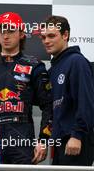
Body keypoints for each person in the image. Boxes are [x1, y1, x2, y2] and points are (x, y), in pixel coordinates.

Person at [0, 12, 53, 164]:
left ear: (22, 33)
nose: (6, 36)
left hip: (22, 134)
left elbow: (49, 105)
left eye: (11, 30)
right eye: (2, 31)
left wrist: (43, 141)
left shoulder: (34, 65)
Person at [40, 15, 94, 165]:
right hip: (60, 142)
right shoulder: (52, 70)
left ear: (65, 35)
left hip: (76, 140)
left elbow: (86, 101)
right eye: (43, 37)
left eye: (51, 36)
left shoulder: (77, 61)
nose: (46, 41)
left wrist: (77, 135)